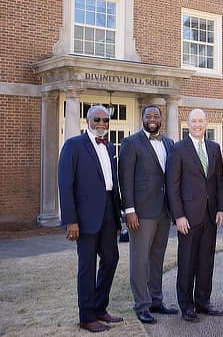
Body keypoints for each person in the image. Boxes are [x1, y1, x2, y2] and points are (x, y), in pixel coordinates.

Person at [58, 105, 123, 333]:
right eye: (97, 120)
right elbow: (65, 185)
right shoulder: (73, 145)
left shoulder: (109, 147)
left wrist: (116, 218)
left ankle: (99, 307)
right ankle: (86, 316)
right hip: (84, 217)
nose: (102, 124)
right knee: (87, 266)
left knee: (111, 258)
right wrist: (70, 220)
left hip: (107, 212)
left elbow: (112, 185)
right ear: (88, 121)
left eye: (106, 121)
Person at [119, 105, 178, 324]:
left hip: (164, 210)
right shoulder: (131, 142)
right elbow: (125, 178)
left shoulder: (169, 143)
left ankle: (156, 300)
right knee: (140, 259)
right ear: (142, 118)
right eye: (148, 116)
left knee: (157, 257)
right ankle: (141, 304)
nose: (152, 119)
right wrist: (129, 210)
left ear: (161, 119)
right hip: (141, 212)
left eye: (156, 116)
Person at [167, 108, 223, 323]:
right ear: (188, 123)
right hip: (188, 217)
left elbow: (219, 180)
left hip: (210, 215)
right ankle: (186, 305)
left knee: (206, 261)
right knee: (187, 261)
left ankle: (203, 301)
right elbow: (172, 185)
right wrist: (179, 216)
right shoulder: (178, 149)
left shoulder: (214, 147)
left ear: (207, 123)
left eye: (201, 121)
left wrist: (221, 208)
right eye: (194, 121)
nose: (198, 124)